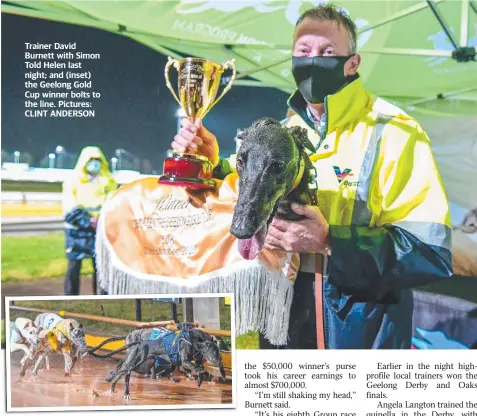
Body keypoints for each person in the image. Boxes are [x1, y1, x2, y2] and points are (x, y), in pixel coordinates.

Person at [171, 4, 453, 349]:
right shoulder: (286, 131)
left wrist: (330, 241)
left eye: (327, 51)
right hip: (284, 328)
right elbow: (243, 196)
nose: (312, 60)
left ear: (352, 63)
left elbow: (430, 253)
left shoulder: (396, 132)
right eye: (303, 51)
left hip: (361, 335)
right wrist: (209, 164)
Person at [62, 146, 118, 295]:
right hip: (77, 232)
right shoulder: (73, 181)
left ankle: (101, 298)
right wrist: (88, 220)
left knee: (101, 269)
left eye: (97, 160)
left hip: (99, 230)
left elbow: (114, 202)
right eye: (91, 160)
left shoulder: (108, 180)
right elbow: (69, 206)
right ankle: (70, 298)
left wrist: (101, 219)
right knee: (73, 267)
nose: (94, 163)